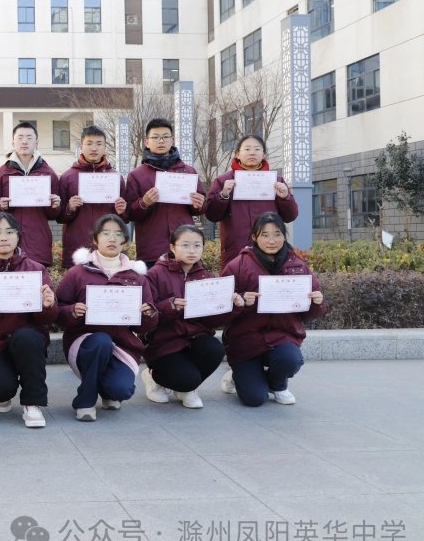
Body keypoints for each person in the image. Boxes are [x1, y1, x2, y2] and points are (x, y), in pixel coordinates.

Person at [55, 214, 157, 420]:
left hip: (122, 343)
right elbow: (58, 311)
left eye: (118, 234)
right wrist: (73, 311)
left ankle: (107, 389)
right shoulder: (77, 273)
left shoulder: (136, 277)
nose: (112, 239)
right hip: (85, 342)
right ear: (95, 239)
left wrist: (148, 314)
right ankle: (85, 401)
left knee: (120, 390)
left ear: (124, 241)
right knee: (101, 341)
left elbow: (145, 326)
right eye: (106, 233)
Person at [220, 212, 327, 407]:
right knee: (254, 399)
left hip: (282, 336)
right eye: (265, 235)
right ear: (254, 237)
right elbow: (220, 308)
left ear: (284, 236)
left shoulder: (298, 266)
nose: (272, 241)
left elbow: (308, 314)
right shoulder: (238, 265)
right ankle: (238, 376)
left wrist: (317, 303)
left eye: (277, 234)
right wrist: (240, 302)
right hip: (245, 340)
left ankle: (277, 385)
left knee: (290, 360)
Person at [0, 212, 58, 428]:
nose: (3, 237)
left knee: (27, 337)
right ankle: (2, 391)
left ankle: (32, 404)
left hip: (27, 340)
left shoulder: (36, 269)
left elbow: (50, 318)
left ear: (18, 237)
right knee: (0, 388)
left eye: (9, 232)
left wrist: (48, 305)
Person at [142, 224, 240, 409]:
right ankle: (153, 377)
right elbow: (147, 316)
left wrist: (232, 306)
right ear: (172, 247)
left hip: (194, 338)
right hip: (164, 343)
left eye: (197, 245)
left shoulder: (206, 277)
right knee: (187, 378)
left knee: (215, 349)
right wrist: (170, 306)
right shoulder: (155, 274)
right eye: (185, 245)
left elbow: (211, 321)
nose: (192, 250)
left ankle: (187, 389)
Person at [205, 134, 299, 267]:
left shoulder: (276, 181)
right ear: (238, 154)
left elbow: (290, 216)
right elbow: (212, 215)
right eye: (247, 149)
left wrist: (285, 197)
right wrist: (223, 195)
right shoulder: (223, 181)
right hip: (235, 249)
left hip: (270, 249)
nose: (252, 153)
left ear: (264, 154)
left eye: (257, 149)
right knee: (237, 279)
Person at [125, 118, 206, 267]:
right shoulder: (136, 175)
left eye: (165, 137)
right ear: (146, 142)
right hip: (152, 250)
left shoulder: (188, 171)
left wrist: (198, 204)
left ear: (172, 140)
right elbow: (128, 213)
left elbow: (200, 209)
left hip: (185, 248)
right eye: (155, 137)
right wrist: (144, 203)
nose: (161, 141)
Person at [0, 122, 61, 267]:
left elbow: (54, 215)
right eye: (20, 137)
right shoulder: (2, 173)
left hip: (38, 243)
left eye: (29, 138)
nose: (24, 141)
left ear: (36, 142)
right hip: (8, 244)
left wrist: (55, 205)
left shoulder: (48, 173)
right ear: (13, 142)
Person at [57, 125, 127, 268]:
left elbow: (125, 218)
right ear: (81, 146)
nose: (94, 148)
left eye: (99, 144)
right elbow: (59, 217)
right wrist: (69, 208)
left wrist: (122, 211)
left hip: (109, 247)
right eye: (89, 144)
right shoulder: (68, 177)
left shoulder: (115, 178)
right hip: (77, 246)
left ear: (105, 147)